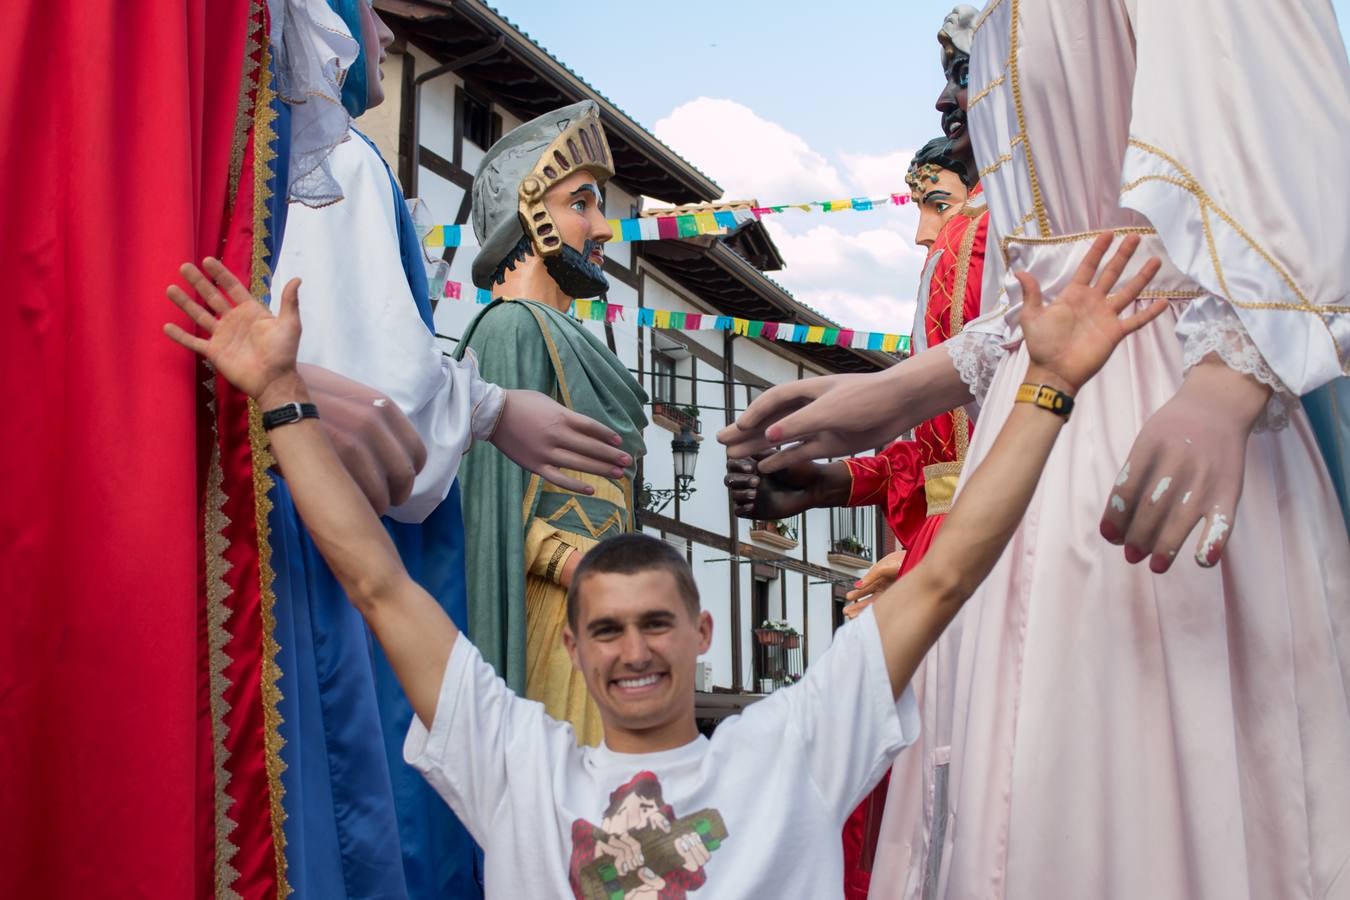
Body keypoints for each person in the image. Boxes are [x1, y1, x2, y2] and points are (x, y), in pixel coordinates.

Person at [162, 227, 1167, 897]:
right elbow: (376, 586)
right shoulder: (515, 761)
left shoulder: (793, 750)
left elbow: (944, 578)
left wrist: (1048, 386)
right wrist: (282, 392)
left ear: (703, 634)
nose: (633, 650)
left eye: (654, 623)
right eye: (607, 627)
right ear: (575, 642)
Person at [722, 3, 1350, 897]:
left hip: (1166, 422)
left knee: (1149, 766)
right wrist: (890, 397)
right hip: (1039, 442)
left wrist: (1228, 381)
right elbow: (1042, 289)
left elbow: (1296, 136)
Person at [265, 6, 633, 896]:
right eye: (580, 202)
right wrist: (491, 409)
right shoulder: (338, 163)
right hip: (384, 551)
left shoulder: (300, 157)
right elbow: (388, 400)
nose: (384, 39)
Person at [724, 134, 985, 900]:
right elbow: (931, 462)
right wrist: (824, 483)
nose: (923, 233)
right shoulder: (957, 259)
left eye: (936, 204)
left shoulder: (980, 246)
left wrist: (915, 554)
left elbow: (1001, 448)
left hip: (985, 557)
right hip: (944, 549)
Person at [454, 100, 649, 748]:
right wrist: (576, 563)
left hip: (607, 610)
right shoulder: (509, 327)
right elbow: (486, 505)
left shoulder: (575, 335)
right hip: (551, 616)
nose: (601, 227)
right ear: (532, 211)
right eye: (583, 204)